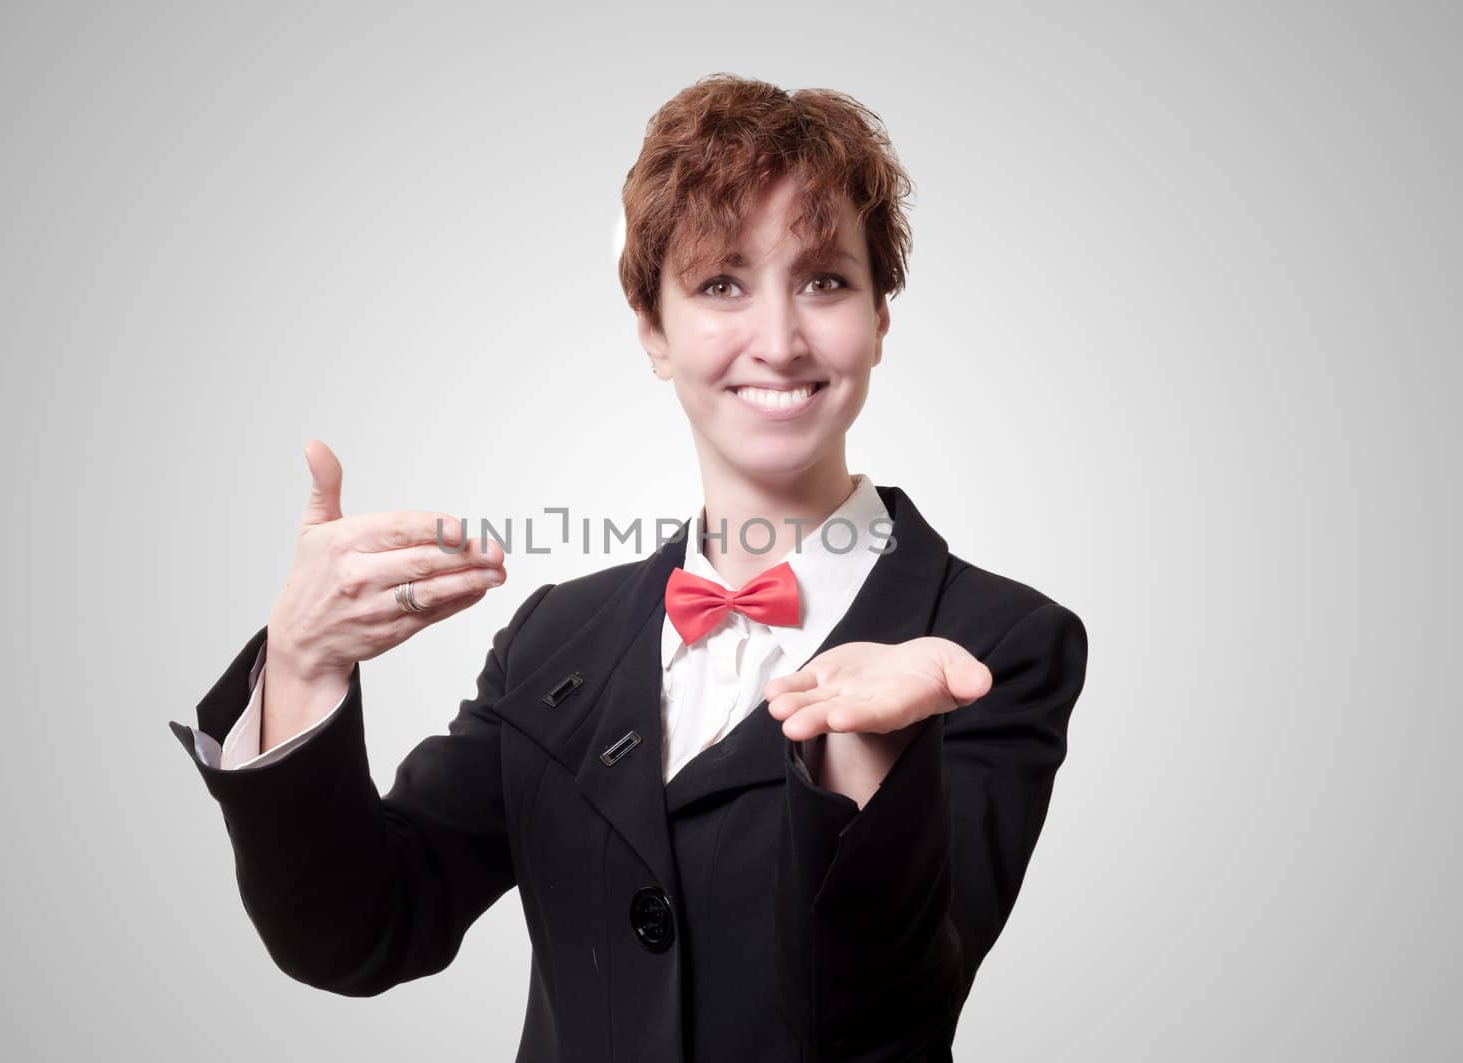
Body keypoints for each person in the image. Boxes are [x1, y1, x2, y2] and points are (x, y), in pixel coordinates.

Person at [169, 72, 1089, 1063]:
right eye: (720, 284)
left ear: (880, 319)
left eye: (825, 280)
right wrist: (304, 666)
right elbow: (363, 930)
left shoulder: (997, 643)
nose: (777, 342)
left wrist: (867, 757)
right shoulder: (554, 635)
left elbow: (887, 1021)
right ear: (653, 331)